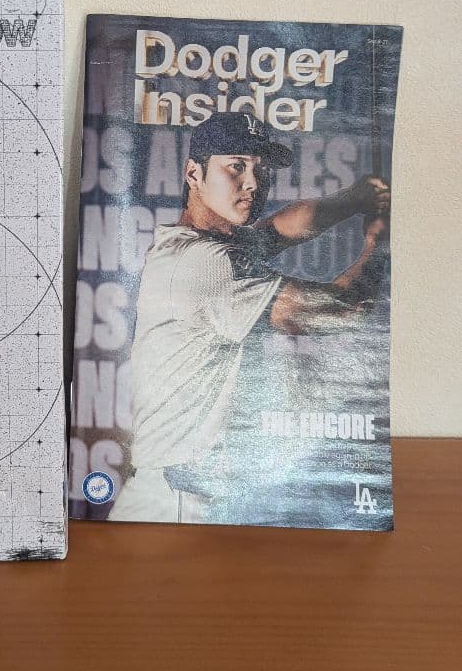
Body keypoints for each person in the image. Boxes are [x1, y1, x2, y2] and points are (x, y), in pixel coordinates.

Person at [109, 111, 390, 523]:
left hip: (173, 492)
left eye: (261, 169)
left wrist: (357, 198)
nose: (253, 183)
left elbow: (280, 228)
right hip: (179, 505)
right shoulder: (208, 263)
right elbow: (345, 307)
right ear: (194, 174)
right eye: (236, 167)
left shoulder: (192, 241)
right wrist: (379, 240)